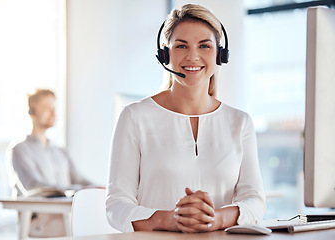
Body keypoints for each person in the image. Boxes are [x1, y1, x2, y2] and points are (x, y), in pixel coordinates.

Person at [106, 4, 266, 233]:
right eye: (181, 46)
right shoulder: (133, 117)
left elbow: (255, 200)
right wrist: (169, 219)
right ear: (165, 54)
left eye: (204, 46)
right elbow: (116, 205)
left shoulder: (240, 123)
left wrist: (216, 219)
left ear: (220, 55)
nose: (193, 56)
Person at [9, 89, 103, 237]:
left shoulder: (60, 151)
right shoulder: (20, 149)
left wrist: (99, 190)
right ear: (32, 111)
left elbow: (79, 179)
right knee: (92, 228)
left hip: (65, 214)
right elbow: (34, 185)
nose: (53, 113)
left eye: (54, 108)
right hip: (39, 222)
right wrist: (77, 190)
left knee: (105, 221)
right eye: (47, 107)